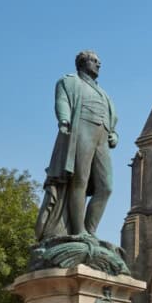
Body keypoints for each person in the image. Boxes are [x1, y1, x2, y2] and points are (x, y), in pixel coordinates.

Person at [35, 50, 118, 240]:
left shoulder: (104, 94)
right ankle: (79, 231)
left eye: (99, 61)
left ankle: (90, 231)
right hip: (82, 129)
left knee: (106, 187)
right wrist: (64, 120)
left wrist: (114, 134)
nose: (99, 65)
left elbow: (112, 118)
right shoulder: (69, 81)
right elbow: (62, 100)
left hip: (102, 137)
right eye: (95, 61)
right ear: (83, 63)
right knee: (79, 180)